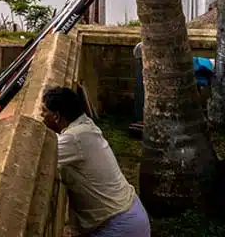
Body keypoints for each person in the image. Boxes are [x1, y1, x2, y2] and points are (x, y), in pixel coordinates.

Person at [41, 86, 150, 237]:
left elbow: (39, 158)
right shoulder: (85, 126)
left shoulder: (74, 139)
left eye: (44, 110)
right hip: (127, 214)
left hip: (119, 225)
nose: (41, 114)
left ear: (56, 116)